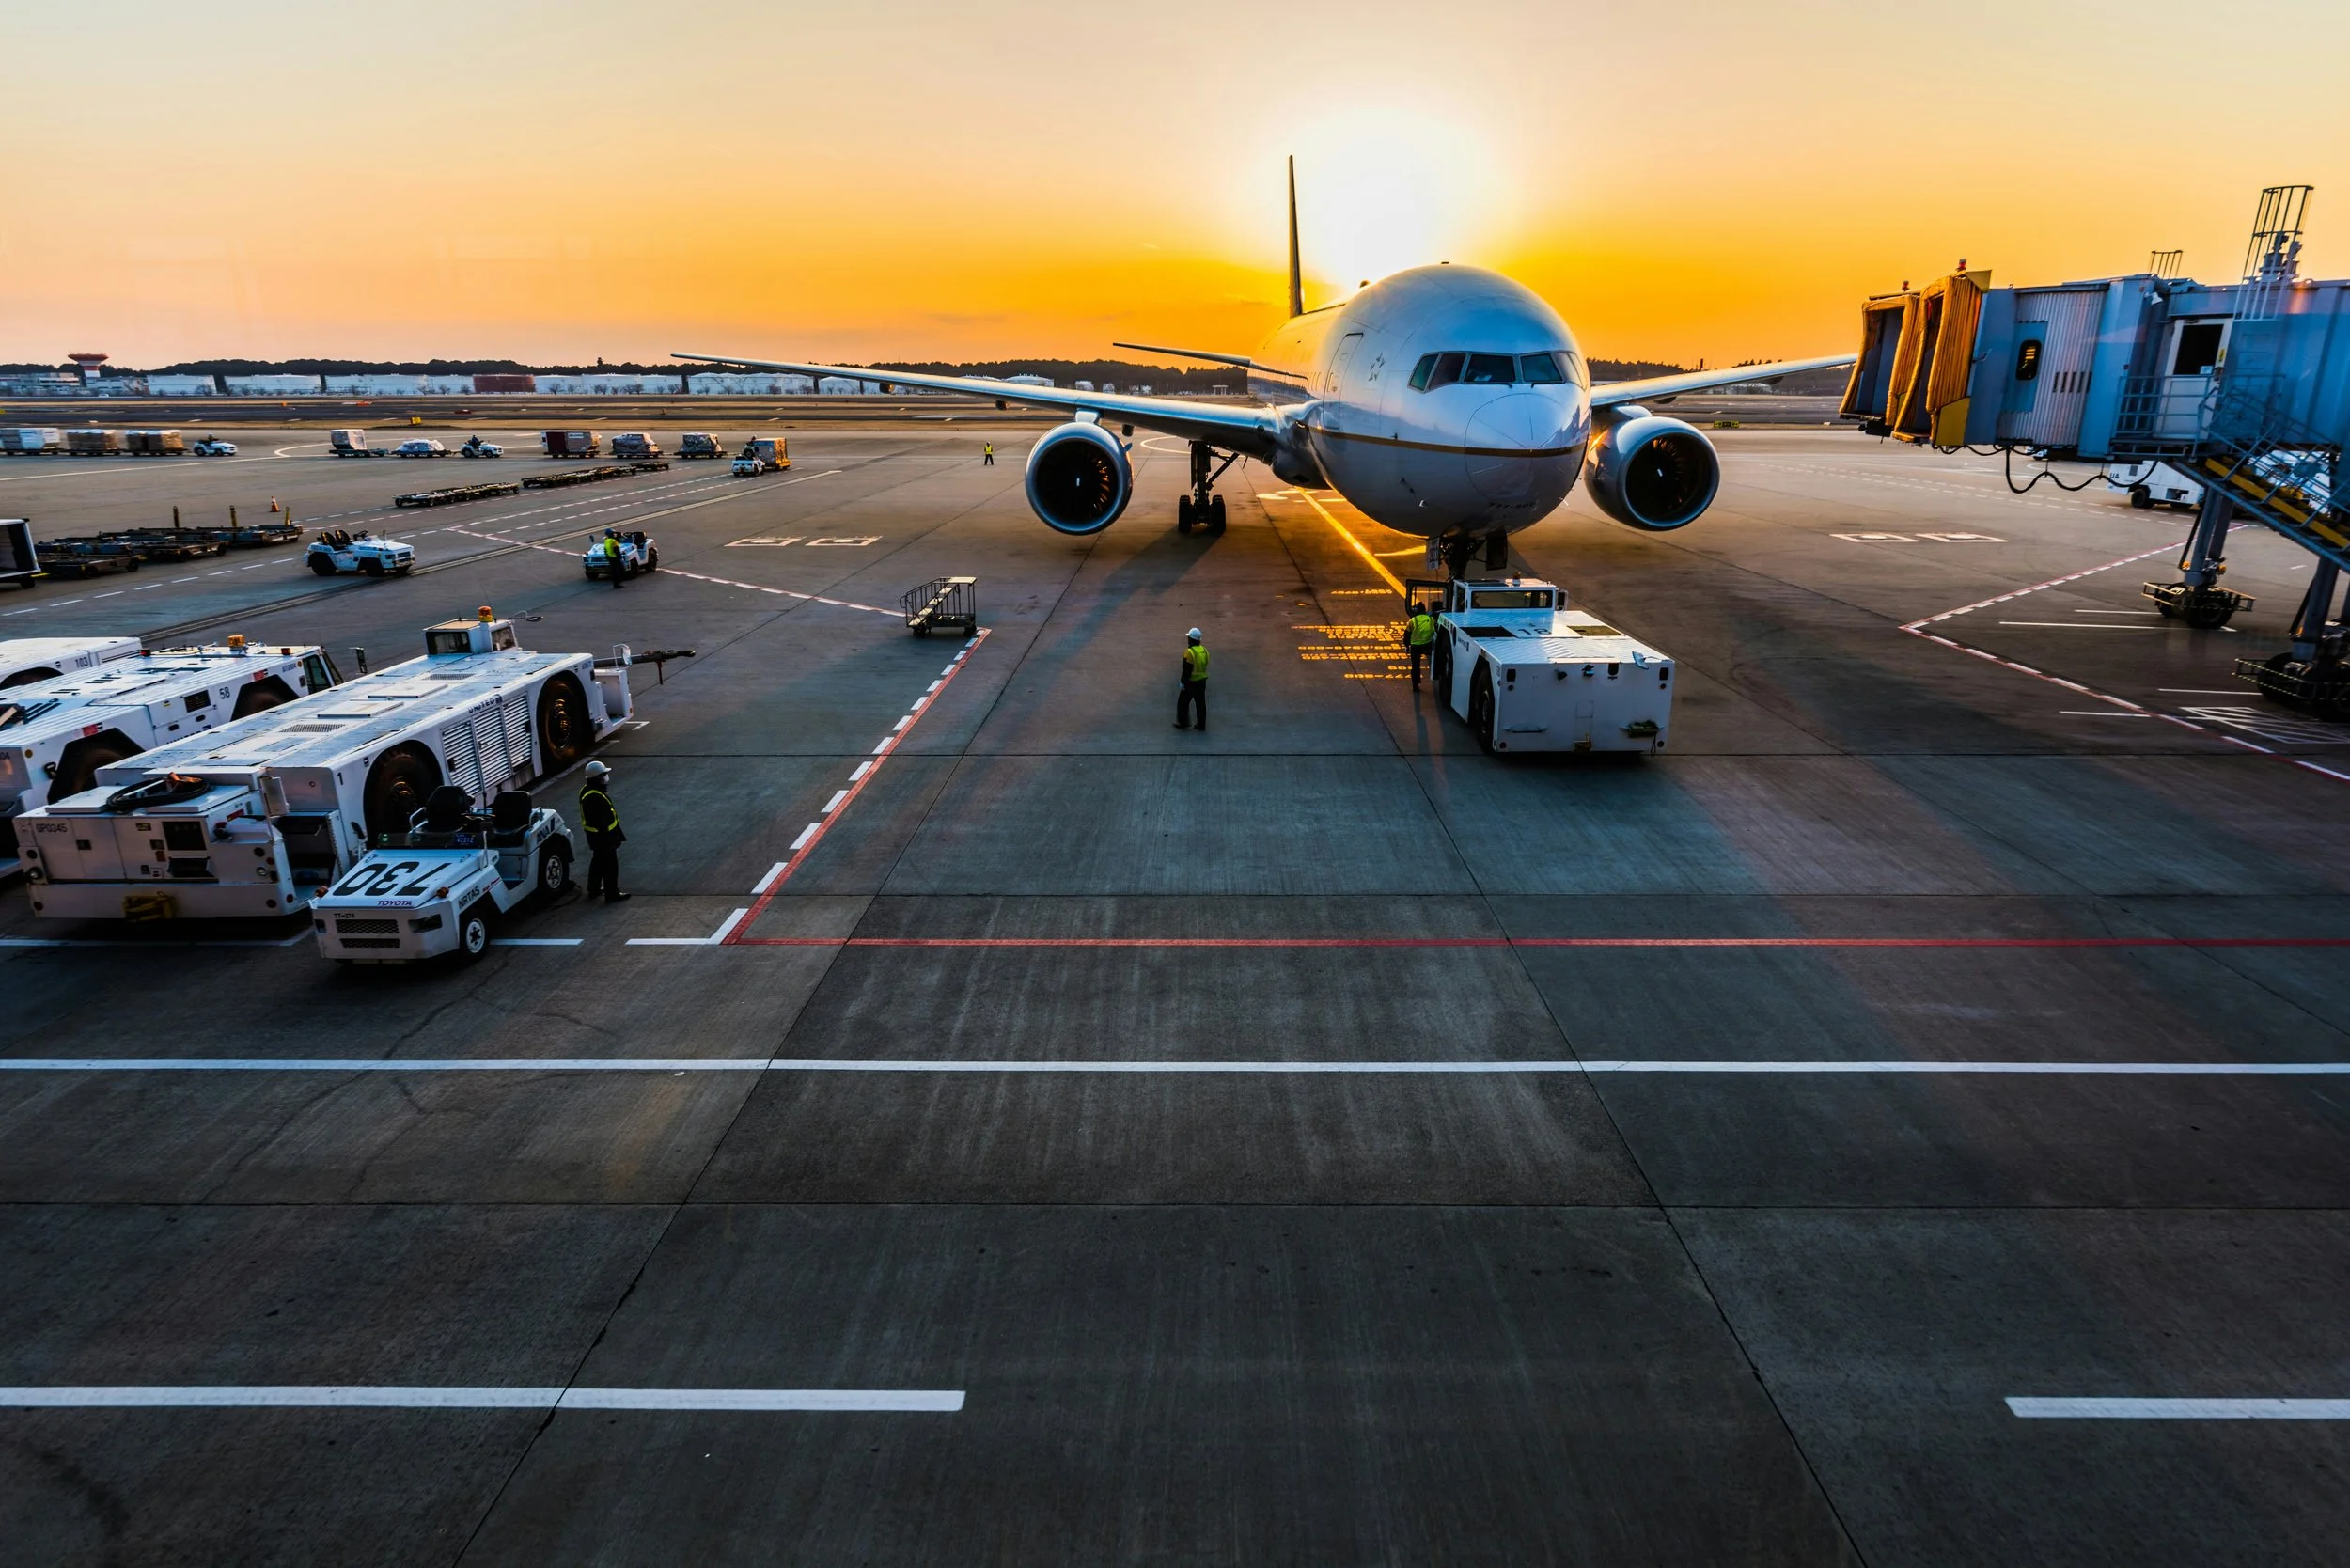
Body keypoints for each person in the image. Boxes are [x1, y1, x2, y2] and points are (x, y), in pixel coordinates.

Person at [579, 760, 628, 902]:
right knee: (610, 867)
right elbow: (601, 822)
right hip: (604, 838)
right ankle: (612, 894)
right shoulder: (595, 797)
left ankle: (593, 889)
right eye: (604, 777)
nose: (606, 780)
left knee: (598, 862)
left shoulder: (587, 791)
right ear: (597, 779)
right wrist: (610, 839)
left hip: (595, 837)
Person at [1174, 628, 1208, 731]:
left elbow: (1186, 670)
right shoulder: (1204, 650)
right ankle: (1201, 725)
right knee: (1201, 704)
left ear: (1191, 639)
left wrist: (1182, 682)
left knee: (1183, 703)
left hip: (1191, 682)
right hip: (1202, 681)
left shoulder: (1189, 652)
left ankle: (1183, 723)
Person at [1402, 601, 1437, 689]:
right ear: (1425, 610)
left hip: (1415, 646)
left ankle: (1415, 684)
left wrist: (1407, 646)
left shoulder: (1413, 620)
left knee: (1415, 665)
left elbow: (1407, 634)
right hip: (1428, 645)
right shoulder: (1431, 619)